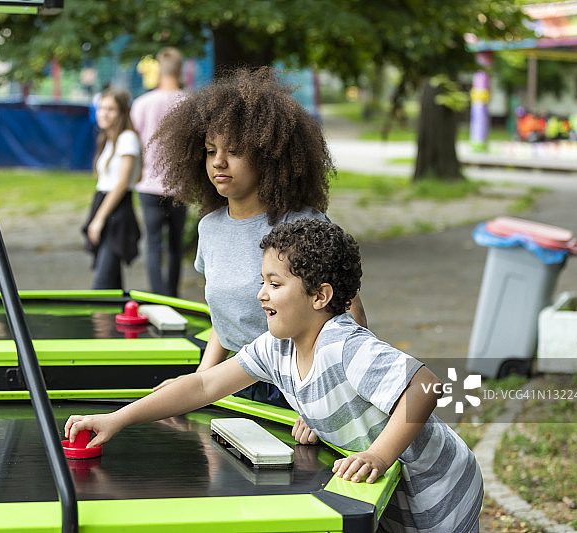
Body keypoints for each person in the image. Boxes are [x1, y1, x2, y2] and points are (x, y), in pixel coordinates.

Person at [66, 218, 483, 532]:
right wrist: (117, 418)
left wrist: (377, 453)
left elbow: (424, 385)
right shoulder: (276, 347)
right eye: (262, 281)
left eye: (275, 283)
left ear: (320, 296)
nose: (261, 293)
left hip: (440, 487)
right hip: (392, 490)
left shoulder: (343, 343)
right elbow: (204, 384)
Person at [150, 67, 367, 408]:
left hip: (299, 385)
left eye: (234, 151)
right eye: (210, 151)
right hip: (235, 381)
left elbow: (349, 314)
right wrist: (200, 379)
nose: (218, 162)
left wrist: (327, 397)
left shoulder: (304, 225)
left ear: (268, 155)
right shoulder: (209, 227)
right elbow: (226, 320)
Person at [130, 47, 188, 297]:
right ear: (180, 70)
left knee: (153, 244)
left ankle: (156, 297)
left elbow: (133, 143)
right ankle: (173, 297)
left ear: (159, 71)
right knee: (175, 245)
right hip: (180, 186)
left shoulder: (142, 103)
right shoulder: (189, 103)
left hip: (149, 185)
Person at [82, 87, 141, 289]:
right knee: (111, 283)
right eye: (101, 108)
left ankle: (102, 320)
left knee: (101, 285)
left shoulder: (127, 139)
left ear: (122, 113)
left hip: (117, 212)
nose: (103, 113)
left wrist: (99, 219)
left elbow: (122, 183)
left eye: (110, 109)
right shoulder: (109, 139)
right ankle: (116, 320)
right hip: (106, 205)